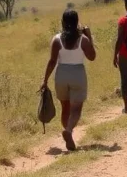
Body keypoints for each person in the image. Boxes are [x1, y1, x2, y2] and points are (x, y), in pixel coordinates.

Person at [41, 9, 96, 152]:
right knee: (76, 108)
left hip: (61, 74)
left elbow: (52, 61)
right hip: (77, 73)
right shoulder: (82, 39)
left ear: (63, 22)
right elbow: (92, 57)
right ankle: (69, 131)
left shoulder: (57, 39)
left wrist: (45, 80)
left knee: (65, 107)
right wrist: (89, 36)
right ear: (77, 21)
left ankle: (68, 132)